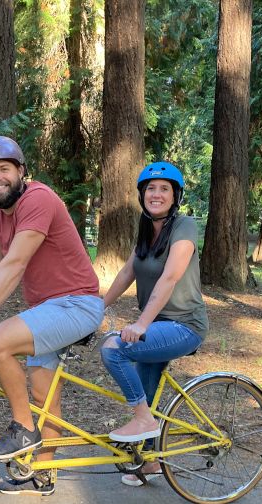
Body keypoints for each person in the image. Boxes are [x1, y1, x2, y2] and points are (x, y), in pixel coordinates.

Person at [0, 135, 104, 496]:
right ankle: (44, 473)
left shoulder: (38, 199)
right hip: (47, 308)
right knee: (43, 396)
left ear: (21, 171)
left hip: (77, 304)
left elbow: (17, 261)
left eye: (4, 168)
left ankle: (22, 430)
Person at [101, 162, 208, 486]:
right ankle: (150, 462)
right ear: (142, 195)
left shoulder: (184, 226)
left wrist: (141, 323)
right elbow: (126, 273)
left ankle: (144, 421)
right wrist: (97, 307)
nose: (156, 194)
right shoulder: (147, 228)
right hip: (157, 327)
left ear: (175, 196)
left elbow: (171, 275)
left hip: (183, 326)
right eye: (150, 188)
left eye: (164, 188)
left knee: (114, 349)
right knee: (146, 392)